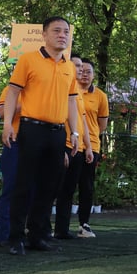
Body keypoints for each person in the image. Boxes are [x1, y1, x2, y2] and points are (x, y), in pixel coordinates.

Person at [2, 16, 80, 255]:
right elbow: (13, 92)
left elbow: (72, 102)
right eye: (56, 31)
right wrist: (7, 124)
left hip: (57, 133)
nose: (62, 35)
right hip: (31, 129)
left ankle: (38, 235)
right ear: (44, 34)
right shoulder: (28, 60)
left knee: (49, 186)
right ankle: (14, 238)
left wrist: (74, 132)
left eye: (66, 31)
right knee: (23, 184)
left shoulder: (69, 66)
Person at [53, 54, 94, 239]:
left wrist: (88, 146)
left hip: (77, 147)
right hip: (64, 145)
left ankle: (62, 229)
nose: (80, 69)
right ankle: (39, 229)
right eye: (76, 65)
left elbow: (83, 121)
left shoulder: (77, 91)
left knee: (69, 190)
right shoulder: (61, 86)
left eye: (82, 67)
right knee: (53, 188)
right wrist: (62, 146)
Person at [76, 58, 109, 236]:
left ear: (94, 75)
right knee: (62, 184)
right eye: (81, 70)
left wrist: (89, 137)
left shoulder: (100, 96)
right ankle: (56, 226)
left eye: (88, 71)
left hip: (91, 146)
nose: (84, 75)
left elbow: (101, 125)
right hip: (69, 143)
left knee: (86, 186)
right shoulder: (68, 90)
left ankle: (84, 224)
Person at [0, 85, 21, 247]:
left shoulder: (45, 90)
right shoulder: (10, 90)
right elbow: (0, 113)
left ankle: (21, 232)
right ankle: (4, 234)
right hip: (14, 143)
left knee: (30, 189)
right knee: (10, 188)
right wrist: (22, 106)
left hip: (35, 145)